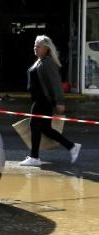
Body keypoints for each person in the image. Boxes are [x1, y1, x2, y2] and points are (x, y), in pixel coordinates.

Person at [19, 35, 81, 167]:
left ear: (46, 48)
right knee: (46, 129)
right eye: (34, 46)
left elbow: (56, 83)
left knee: (34, 126)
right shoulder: (40, 60)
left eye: (38, 46)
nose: (35, 48)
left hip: (43, 100)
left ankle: (34, 157)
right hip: (39, 99)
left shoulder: (48, 62)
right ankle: (72, 146)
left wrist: (60, 102)